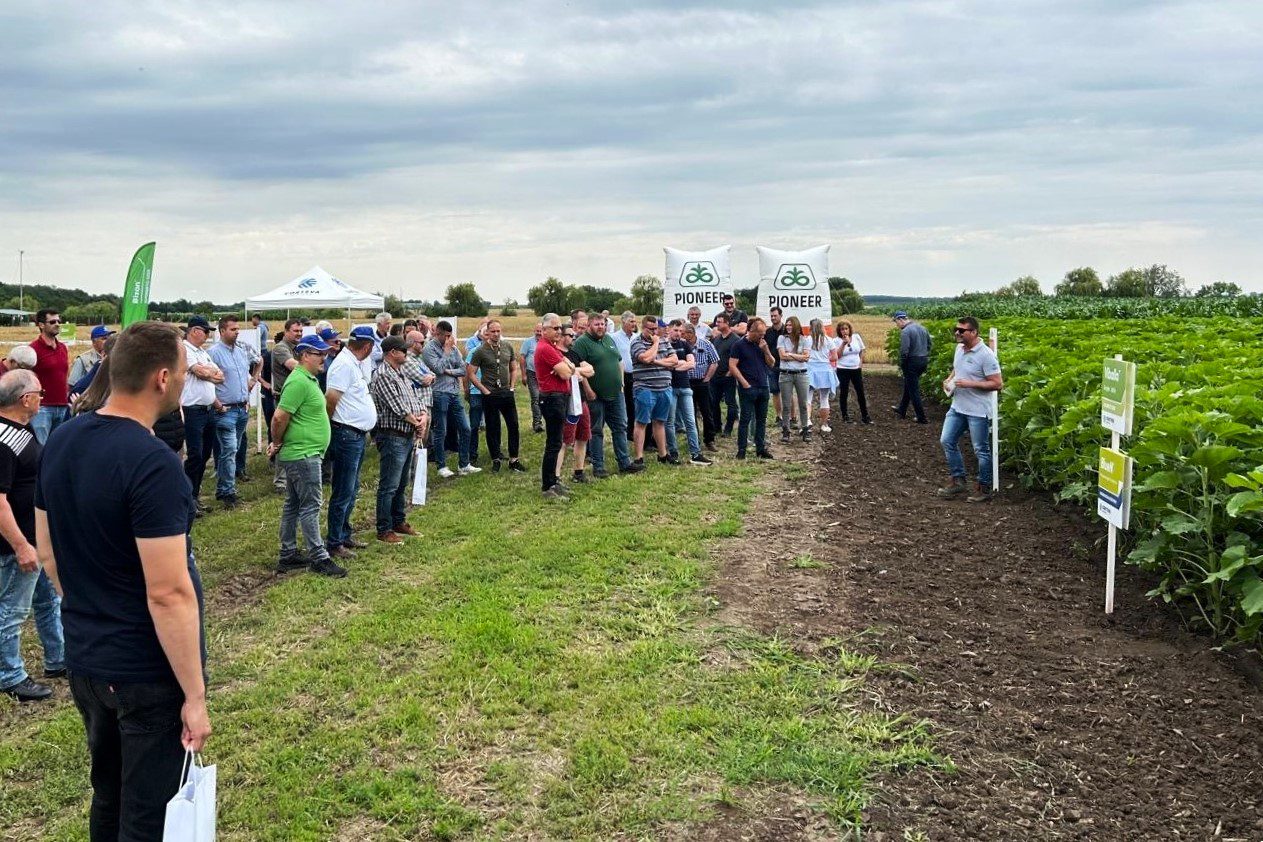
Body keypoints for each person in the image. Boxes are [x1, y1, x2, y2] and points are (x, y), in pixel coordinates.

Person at [36, 321, 210, 839]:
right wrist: (195, 697)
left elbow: (48, 555)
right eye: (182, 371)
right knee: (147, 812)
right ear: (161, 378)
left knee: (107, 793)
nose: (184, 379)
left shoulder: (63, 439)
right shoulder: (153, 464)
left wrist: (95, 605)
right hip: (143, 671)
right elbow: (168, 592)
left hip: (87, 659)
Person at [0, 370, 64, 702]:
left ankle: (58, 659)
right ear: (26, 400)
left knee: (48, 601)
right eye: (39, 393)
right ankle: (10, 676)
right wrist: (21, 545)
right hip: (18, 547)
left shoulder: (21, 430)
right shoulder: (3, 440)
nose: (43, 397)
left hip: (36, 540)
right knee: (11, 611)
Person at [269, 335, 344, 577]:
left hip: (303, 452)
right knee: (311, 505)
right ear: (303, 356)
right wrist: (277, 442)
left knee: (293, 504)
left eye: (324, 353)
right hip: (303, 454)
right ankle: (318, 556)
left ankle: (288, 553)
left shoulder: (308, 379)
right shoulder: (298, 382)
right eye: (318, 353)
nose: (324, 357)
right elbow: (279, 417)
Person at [938, 316, 1003, 503]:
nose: (957, 333)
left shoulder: (986, 355)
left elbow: (998, 384)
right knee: (947, 440)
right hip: (957, 407)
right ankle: (958, 481)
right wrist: (949, 380)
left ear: (974, 332)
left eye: (961, 330)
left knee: (980, 449)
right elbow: (957, 369)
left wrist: (970, 384)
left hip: (978, 411)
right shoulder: (959, 349)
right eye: (956, 329)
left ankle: (984, 487)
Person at [324, 333, 377, 559]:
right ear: (367, 347)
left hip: (355, 433)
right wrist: (332, 427)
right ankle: (334, 541)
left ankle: (344, 534)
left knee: (352, 488)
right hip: (346, 433)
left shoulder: (352, 363)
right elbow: (331, 399)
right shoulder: (344, 365)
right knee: (343, 489)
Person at [370, 336, 425, 544]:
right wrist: (417, 423)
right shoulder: (383, 375)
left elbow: (413, 399)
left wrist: (422, 416)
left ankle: (398, 520)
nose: (407, 353)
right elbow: (398, 407)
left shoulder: (400, 373)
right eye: (403, 350)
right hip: (392, 435)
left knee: (401, 483)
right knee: (389, 485)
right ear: (392, 352)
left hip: (406, 434)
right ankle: (384, 529)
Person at [573, 312, 641, 477]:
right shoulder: (582, 343)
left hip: (616, 393)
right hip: (595, 395)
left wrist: (622, 384)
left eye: (602, 324)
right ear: (589, 325)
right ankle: (598, 466)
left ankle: (624, 463)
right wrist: (588, 390)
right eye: (596, 324)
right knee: (596, 431)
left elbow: (619, 361)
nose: (600, 327)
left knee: (620, 427)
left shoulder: (609, 339)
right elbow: (578, 370)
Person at [207, 316, 259, 509]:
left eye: (238, 329)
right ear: (221, 331)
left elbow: (256, 363)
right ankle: (228, 492)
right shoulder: (212, 353)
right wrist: (217, 403)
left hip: (241, 409)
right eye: (233, 329)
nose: (237, 332)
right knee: (229, 450)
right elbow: (206, 380)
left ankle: (224, 487)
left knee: (232, 450)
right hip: (225, 411)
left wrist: (251, 384)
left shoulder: (241, 352)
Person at [467, 319, 526, 473]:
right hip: (490, 393)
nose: (496, 334)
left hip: (506, 392)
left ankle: (514, 459)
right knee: (493, 427)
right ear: (487, 332)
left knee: (513, 425)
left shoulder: (507, 347)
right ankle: (496, 459)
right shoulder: (480, 351)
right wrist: (484, 390)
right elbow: (471, 373)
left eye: (498, 331)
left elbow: (513, 368)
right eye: (493, 331)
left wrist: (512, 387)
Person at [422, 321, 478, 478]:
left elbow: (462, 370)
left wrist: (447, 370)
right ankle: (441, 466)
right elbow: (437, 369)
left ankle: (464, 464)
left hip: (454, 392)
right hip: (439, 393)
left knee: (465, 428)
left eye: (450, 336)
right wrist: (446, 352)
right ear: (437, 334)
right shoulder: (429, 349)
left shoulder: (454, 349)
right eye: (445, 336)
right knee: (442, 430)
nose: (448, 339)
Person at [180, 316, 224, 513]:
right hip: (192, 411)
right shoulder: (184, 350)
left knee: (205, 453)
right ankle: (188, 499)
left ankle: (195, 496)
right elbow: (200, 373)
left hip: (208, 410)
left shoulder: (202, 352)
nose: (208, 335)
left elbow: (219, 375)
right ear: (195, 330)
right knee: (195, 454)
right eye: (206, 331)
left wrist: (209, 373)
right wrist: (209, 373)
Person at [534, 313, 576, 498]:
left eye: (560, 328)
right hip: (552, 398)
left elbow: (569, 367)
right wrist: (568, 368)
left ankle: (553, 481)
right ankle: (547, 485)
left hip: (558, 397)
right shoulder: (545, 348)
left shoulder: (552, 347)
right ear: (544, 330)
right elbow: (567, 374)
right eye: (555, 328)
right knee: (553, 443)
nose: (559, 331)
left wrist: (568, 367)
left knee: (557, 441)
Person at [630, 315, 681, 465]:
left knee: (660, 422)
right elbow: (645, 358)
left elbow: (675, 360)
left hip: (664, 388)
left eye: (656, 329)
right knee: (641, 422)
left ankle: (663, 454)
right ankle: (639, 457)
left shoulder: (665, 341)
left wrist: (656, 361)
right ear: (643, 327)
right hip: (645, 388)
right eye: (651, 329)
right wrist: (656, 344)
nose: (654, 332)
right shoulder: (637, 343)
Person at [729, 316, 776, 459]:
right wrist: (744, 384)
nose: (762, 336)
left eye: (763, 334)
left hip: (763, 386)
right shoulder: (738, 345)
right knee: (745, 419)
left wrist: (766, 350)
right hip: (748, 388)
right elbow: (732, 366)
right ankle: (741, 450)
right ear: (750, 331)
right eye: (760, 333)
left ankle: (760, 449)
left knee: (762, 420)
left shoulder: (762, 344)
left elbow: (772, 363)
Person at [665, 320, 709, 465]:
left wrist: (675, 365)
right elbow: (666, 364)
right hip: (669, 387)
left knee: (690, 421)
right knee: (670, 422)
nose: (678, 333)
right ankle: (673, 453)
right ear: (669, 330)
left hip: (685, 387)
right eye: (675, 330)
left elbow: (692, 364)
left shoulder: (685, 344)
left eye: (680, 331)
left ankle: (695, 453)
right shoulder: (664, 345)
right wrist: (678, 364)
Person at [558, 325, 595, 483]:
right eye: (570, 335)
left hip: (581, 401)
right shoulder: (557, 354)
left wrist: (575, 370)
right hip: (566, 402)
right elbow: (563, 373)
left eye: (574, 335)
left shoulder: (573, 354)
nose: (573, 338)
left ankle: (578, 472)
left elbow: (591, 370)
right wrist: (577, 372)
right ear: (561, 336)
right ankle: (556, 475)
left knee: (583, 436)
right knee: (564, 440)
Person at [270, 318, 304, 491]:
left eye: (301, 331)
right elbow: (295, 366)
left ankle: (292, 478)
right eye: (295, 331)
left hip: (296, 399)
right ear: (286, 331)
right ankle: (281, 482)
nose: (299, 334)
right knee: (281, 439)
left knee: (294, 437)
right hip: (283, 399)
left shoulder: (298, 348)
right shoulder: (280, 348)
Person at [29, 308, 71, 444]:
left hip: (63, 406)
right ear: (41, 325)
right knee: (40, 449)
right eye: (52, 321)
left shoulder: (63, 348)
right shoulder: (33, 349)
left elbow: (65, 374)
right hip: (42, 408)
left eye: (59, 321)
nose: (57, 324)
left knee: (57, 448)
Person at [681, 323, 719, 452]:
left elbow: (714, 361)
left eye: (683, 333)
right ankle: (694, 439)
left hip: (702, 382)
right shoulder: (682, 345)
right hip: (687, 382)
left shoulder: (706, 344)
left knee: (707, 412)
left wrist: (707, 378)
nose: (681, 335)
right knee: (690, 413)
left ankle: (709, 439)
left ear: (691, 333)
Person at [776, 316, 811, 444]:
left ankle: (805, 428)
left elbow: (806, 358)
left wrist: (790, 354)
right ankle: (786, 429)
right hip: (786, 374)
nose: (788, 327)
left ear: (796, 326)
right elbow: (782, 356)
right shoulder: (781, 338)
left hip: (801, 374)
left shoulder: (804, 340)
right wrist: (798, 356)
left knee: (803, 403)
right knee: (786, 404)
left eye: (791, 325)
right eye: (787, 325)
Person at [893, 311, 931, 424]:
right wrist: (923, 354)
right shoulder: (922, 328)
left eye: (896, 322)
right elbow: (929, 344)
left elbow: (904, 351)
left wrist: (903, 363)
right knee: (909, 385)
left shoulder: (905, 331)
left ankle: (921, 417)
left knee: (913, 390)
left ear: (900, 320)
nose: (897, 325)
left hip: (912, 362)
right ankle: (902, 409)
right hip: (923, 360)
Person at [401, 330, 435, 446]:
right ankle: (413, 464)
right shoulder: (407, 361)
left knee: (423, 442)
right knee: (417, 441)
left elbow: (432, 375)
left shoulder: (418, 359)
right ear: (413, 343)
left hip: (425, 404)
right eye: (421, 342)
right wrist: (430, 377)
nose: (423, 345)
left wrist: (430, 377)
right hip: (418, 406)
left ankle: (419, 464)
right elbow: (422, 379)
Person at [708, 313, 740, 437]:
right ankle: (717, 427)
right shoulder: (716, 339)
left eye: (720, 322)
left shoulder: (735, 340)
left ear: (727, 323)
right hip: (715, 377)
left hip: (728, 377)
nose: (717, 324)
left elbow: (738, 358)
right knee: (714, 403)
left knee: (730, 403)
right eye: (717, 322)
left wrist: (730, 373)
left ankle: (728, 429)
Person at [806, 318, 839, 434]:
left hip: (810, 370)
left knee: (807, 397)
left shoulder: (808, 340)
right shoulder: (829, 340)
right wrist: (825, 360)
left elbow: (805, 355)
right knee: (824, 399)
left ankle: (807, 421)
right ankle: (824, 425)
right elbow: (834, 357)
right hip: (825, 370)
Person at [835, 320, 871, 424]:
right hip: (843, 369)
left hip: (856, 369)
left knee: (860, 392)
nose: (844, 331)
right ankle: (845, 415)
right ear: (839, 331)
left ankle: (865, 415)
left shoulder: (856, 337)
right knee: (844, 392)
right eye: (842, 329)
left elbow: (861, 350)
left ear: (850, 329)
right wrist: (843, 344)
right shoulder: (836, 340)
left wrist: (860, 362)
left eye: (846, 329)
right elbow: (837, 355)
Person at [610, 311, 637, 442]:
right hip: (622, 375)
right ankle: (623, 429)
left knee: (633, 405)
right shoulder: (614, 337)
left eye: (634, 321)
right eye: (631, 321)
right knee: (624, 404)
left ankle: (631, 431)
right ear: (623, 322)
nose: (634, 324)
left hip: (636, 375)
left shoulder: (636, 337)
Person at [520, 323, 544, 433]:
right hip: (532, 374)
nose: (539, 333)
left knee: (545, 399)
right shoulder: (528, 342)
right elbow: (522, 358)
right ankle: (537, 423)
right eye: (537, 331)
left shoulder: (547, 342)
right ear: (534, 331)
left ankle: (547, 421)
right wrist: (523, 374)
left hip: (544, 375)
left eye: (541, 331)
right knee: (536, 398)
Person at [764, 307, 786, 427]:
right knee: (775, 392)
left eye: (775, 316)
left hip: (786, 365)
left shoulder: (787, 330)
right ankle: (779, 416)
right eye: (771, 316)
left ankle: (792, 417)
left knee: (788, 392)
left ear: (781, 316)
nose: (773, 318)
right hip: (772, 366)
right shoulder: (768, 332)